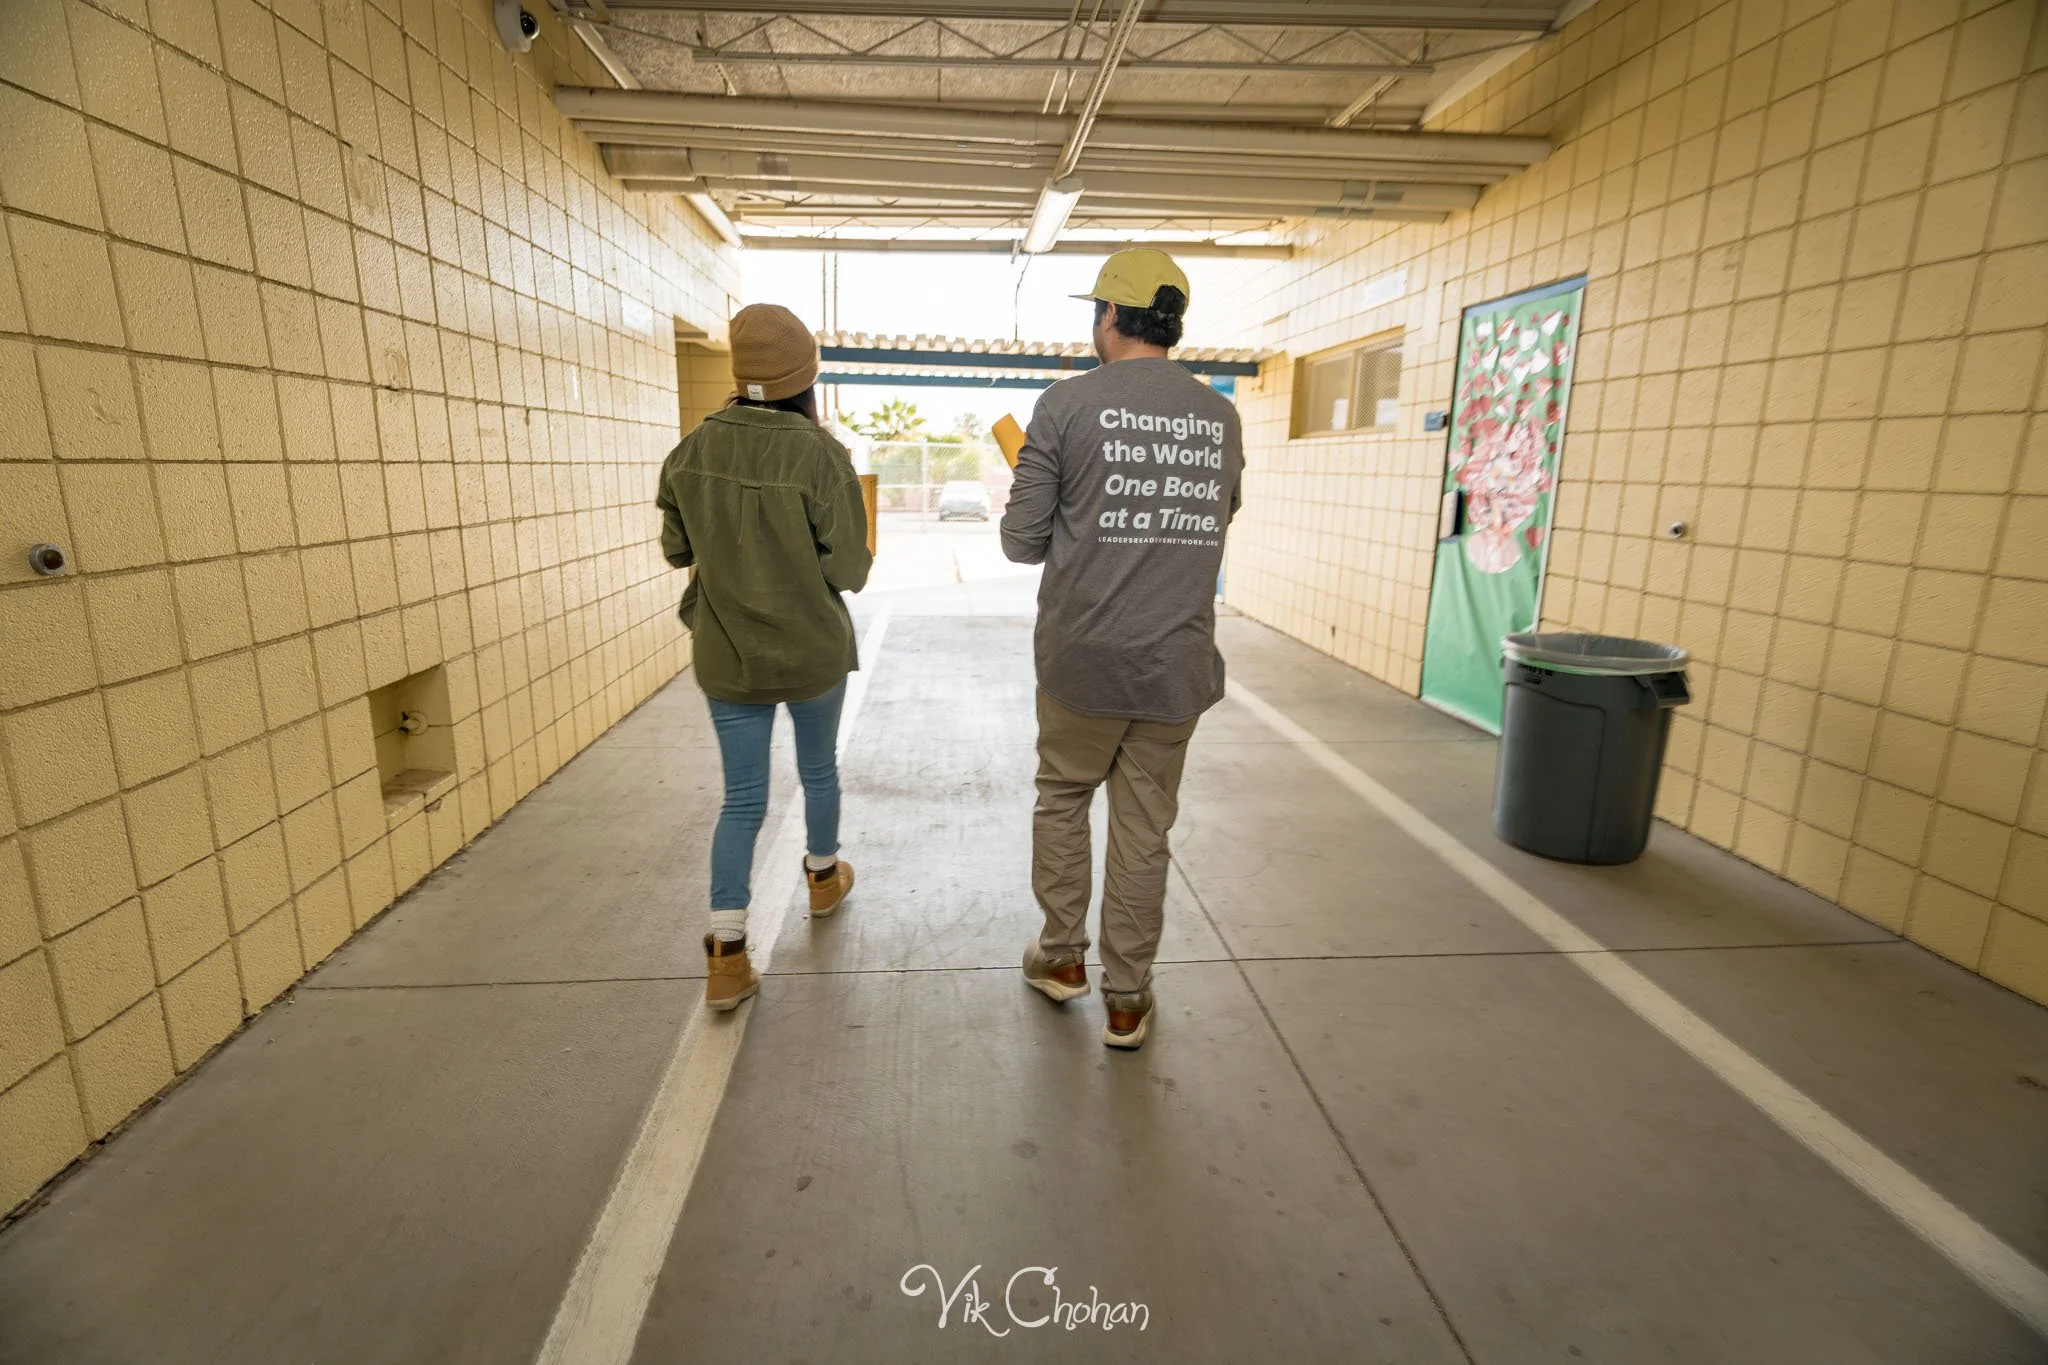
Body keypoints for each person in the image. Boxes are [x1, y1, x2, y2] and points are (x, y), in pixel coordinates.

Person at [999, 248, 1244, 1050]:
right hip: (1173, 663)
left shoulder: (1064, 406)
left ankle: (1062, 958)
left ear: (1108, 315)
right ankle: (1129, 998)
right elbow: (1217, 518)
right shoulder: (1220, 416)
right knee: (1145, 830)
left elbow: (1021, 541)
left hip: (1081, 660)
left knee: (1064, 798)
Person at [655, 304, 874, 1012]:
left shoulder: (690, 452)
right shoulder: (821, 455)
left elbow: (677, 550)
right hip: (811, 650)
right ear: (805, 378)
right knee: (819, 770)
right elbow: (850, 570)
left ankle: (725, 954)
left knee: (742, 799)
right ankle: (822, 876)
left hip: (729, 654)